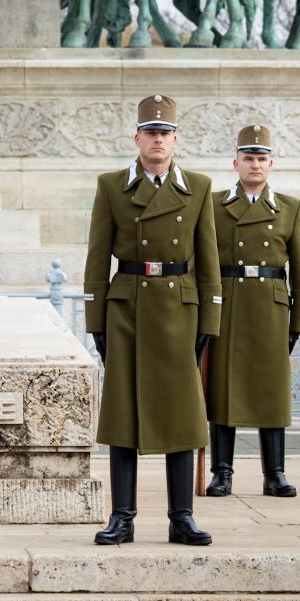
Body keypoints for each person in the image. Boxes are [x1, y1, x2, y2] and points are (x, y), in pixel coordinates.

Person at [83, 93, 220, 546]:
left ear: (175, 140)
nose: (158, 140)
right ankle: (122, 516)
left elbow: (208, 260)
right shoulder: (111, 185)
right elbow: (97, 256)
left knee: (181, 416)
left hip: (179, 308)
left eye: (165, 133)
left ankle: (182, 517)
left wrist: (210, 321)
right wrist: (96, 320)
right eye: (150, 132)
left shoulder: (198, 187)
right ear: (137, 138)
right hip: (128, 308)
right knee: (124, 414)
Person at [205, 123, 300, 498]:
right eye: (248, 158)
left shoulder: (289, 208)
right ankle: (222, 472)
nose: (255, 165)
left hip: (270, 305)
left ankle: (274, 473)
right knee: (223, 389)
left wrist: (299, 320)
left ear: (271, 164)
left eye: (261, 158)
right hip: (228, 303)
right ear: (236, 163)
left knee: (270, 391)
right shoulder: (213, 204)